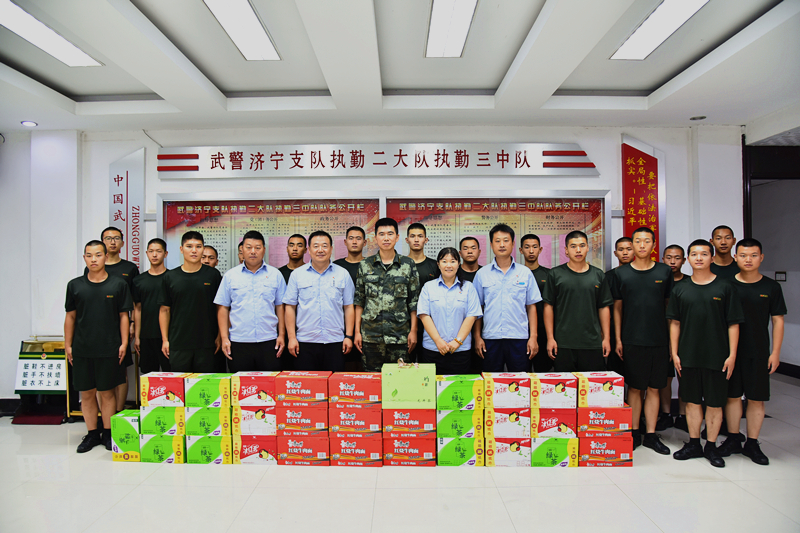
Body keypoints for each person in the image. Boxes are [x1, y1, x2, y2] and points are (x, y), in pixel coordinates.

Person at [667, 239, 744, 468]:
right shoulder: (680, 288)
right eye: (694, 254)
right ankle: (693, 444)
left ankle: (711, 445)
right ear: (688, 259)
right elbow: (675, 323)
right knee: (691, 402)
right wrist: (675, 352)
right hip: (688, 355)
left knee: (714, 403)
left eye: (703, 254)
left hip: (717, 356)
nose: (698, 258)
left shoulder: (725, 287)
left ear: (712, 257)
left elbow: (733, 324)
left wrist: (732, 355)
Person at [717, 238, 786, 465]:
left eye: (753, 255)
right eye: (744, 255)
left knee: (757, 398)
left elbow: (778, 321)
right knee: (732, 396)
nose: (748, 260)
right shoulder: (726, 285)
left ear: (761, 257)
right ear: (735, 257)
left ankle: (753, 443)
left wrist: (775, 352)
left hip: (758, 351)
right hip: (730, 352)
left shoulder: (771, 287)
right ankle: (733, 438)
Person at [65, 240, 132, 452]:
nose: (93, 259)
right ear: (84, 258)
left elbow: (124, 316)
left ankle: (108, 433)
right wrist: (68, 345)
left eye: (98, 255)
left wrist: (124, 343)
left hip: (109, 347)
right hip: (82, 348)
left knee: (107, 392)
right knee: (86, 393)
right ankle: (92, 434)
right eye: (89, 255)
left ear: (105, 256)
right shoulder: (75, 285)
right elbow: (70, 317)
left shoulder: (118, 284)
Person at [610, 227, 672, 454]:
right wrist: (618, 338)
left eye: (647, 241)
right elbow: (617, 308)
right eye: (638, 241)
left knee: (654, 388)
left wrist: (671, 343)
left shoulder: (664, 272)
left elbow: (669, 308)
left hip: (658, 340)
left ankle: (651, 435)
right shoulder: (621, 274)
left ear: (654, 245)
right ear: (632, 245)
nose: (642, 245)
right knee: (635, 388)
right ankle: (634, 432)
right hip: (631, 339)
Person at [472, 224, 541, 372]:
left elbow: (531, 307)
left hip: (519, 338)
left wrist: (533, 337)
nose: (502, 245)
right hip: (490, 338)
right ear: (491, 245)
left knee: (521, 380)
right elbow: (477, 309)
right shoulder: (482, 274)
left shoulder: (525, 273)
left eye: (506, 240)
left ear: (513, 244)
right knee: (490, 381)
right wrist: (477, 337)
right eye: (497, 241)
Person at [283, 231, 355, 372]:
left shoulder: (342, 274)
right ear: (309, 250)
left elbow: (348, 307)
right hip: (305, 342)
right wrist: (291, 338)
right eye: (316, 246)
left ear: (331, 249)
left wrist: (348, 336)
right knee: (307, 384)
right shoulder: (297, 275)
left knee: (333, 383)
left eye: (324, 246)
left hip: (335, 341)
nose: (320, 250)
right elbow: (290, 307)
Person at [354, 218, 419, 371]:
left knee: (401, 379)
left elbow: (414, 302)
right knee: (372, 379)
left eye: (390, 234)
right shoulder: (365, 265)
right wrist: (357, 332)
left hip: (400, 336)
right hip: (371, 337)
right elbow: (359, 300)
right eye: (381, 234)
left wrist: (413, 331)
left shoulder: (408, 264)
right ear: (375, 237)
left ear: (397, 237)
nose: (386, 238)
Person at [215, 230, 285, 372]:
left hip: (269, 340)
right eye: (249, 247)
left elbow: (280, 307)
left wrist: (282, 335)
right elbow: (223, 308)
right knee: (241, 382)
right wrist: (224, 337)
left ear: (263, 250)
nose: (253, 251)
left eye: (257, 248)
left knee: (269, 381)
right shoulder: (230, 276)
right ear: (242, 250)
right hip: (238, 341)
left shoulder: (275, 275)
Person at [543, 231, 613, 372]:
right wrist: (550, 338)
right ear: (566, 250)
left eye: (582, 245)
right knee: (565, 385)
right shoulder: (555, 274)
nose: (578, 250)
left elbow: (603, 307)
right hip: (563, 343)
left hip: (592, 343)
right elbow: (548, 306)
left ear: (588, 248)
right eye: (573, 246)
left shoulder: (598, 275)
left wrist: (606, 338)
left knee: (592, 385)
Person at [86, 227, 138, 413]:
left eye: (116, 238)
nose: (112, 241)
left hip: (121, 325)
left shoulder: (130, 268)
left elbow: (134, 301)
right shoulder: (92, 267)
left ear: (122, 242)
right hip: (97, 328)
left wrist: (132, 323)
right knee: (100, 375)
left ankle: (119, 413)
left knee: (120, 370)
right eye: (108, 238)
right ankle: (105, 415)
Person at [159, 231, 223, 373]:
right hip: (178, 343)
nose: (194, 250)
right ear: (181, 249)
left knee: (205, 384)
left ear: (203, 249)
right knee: (180, 384)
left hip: (207, 343)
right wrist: (165, 340)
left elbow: (220, 308)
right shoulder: (170, 277)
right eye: (189, 246)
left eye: (198, 246)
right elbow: (164, 310)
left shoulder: (213, 275)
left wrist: (220, 335)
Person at [417, 247, 483, 374]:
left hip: (460, 350)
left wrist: (457, 341)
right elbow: (424, 315)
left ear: (459, 264)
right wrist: (438, 341)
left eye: (453, 261)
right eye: (444, 261)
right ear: (438, 264)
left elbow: (471, 316)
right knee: (432, 385)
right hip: (433, 349)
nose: (448, 265)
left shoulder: (468, 288)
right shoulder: (428, 287)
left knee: (459, 385)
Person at [660, 244, 688, 431]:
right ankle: (666, 414)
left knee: (685, 377)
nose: (672, 261)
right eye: (669, 257)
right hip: (662, 335)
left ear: (684, 260)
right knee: (666, 377)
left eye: (677, 258)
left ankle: (684, 416)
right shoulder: (659, 281)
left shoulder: (690, 282)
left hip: (685, 336)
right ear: (662, 259)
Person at [132, 239, 170, 373]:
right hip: (146, 335)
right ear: (146, 253)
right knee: (148, 375)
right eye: (151, 251)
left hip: (169, 336)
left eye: (158, 251)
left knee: (171, 374)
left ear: (165, 254)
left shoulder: (172, 278)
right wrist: (137, 337)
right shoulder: (138, 281)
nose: (154, 255)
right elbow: (137, 309)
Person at [520, 234, 551, 372]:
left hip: (544, 330)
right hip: (522, 330)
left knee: (542, 372)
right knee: (522, 372)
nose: (531, 251)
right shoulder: (517, 274)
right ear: (521, 250)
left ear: (540, 249)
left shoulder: (549, 274)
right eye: (527, 247)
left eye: (534, 247)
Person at [606, 237, 634, 376]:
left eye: (629, 249)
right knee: (615, 372)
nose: (625, 253)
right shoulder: (608, 277)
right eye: (621, 249)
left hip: (634, 328)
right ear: (615, 253)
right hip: (613, 329)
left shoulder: (640, 275)